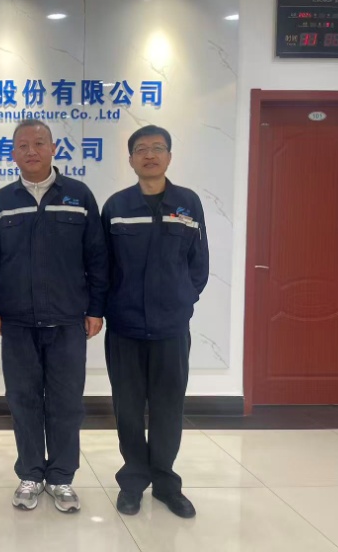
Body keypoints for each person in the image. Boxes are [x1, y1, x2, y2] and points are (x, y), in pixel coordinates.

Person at [0, 119, 108, 513]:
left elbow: (97, 256)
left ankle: (62, 477)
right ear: (13, 154)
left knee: (67, 402)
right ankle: (31, 474)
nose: (31, 151)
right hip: (17, 321)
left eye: (39, 143)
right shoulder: (2, 201)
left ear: (54, 149)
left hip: (68, 320)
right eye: (23, 145)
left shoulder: (79, 196)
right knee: (23, 400)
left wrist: (96, 308)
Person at [101, 125, 209, 519]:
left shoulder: (188, 204)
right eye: (142, 149)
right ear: (131, 159)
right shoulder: (116, 206)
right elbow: (103, 266)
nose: (150, 155)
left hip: (171, 329)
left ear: (169, 156)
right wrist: (110, 307)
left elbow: (199, 264)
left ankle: (165, 483)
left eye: (158, 148)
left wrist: (181, 300)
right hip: (125, 328)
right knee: (128, 409)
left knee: (168, 408)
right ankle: (132, 482)